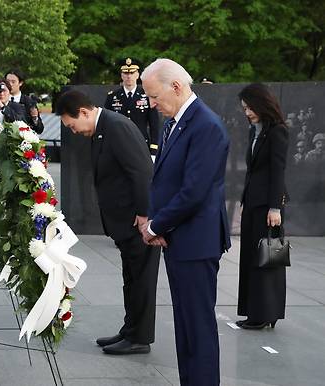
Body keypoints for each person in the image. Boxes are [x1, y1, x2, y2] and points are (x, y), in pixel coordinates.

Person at [139, 58, 230, 386]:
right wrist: (157, 221)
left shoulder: (205, 126)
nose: (152, 104)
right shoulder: (173, 123)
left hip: (196, 242)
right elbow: (163, 178)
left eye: (154, 96)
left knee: (198, 328)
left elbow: (194, 192)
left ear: (176, 87)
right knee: (186, 327)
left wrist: (155, 226)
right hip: (179, 239)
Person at [56, 90, 160, 355]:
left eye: (72, 125)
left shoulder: (116, 127)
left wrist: (144, 214)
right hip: (125, 220)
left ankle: (140, 337)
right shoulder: (103, 127)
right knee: (131, 277)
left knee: (141, 279)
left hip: (137, 220)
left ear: (84, 112)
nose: (74, 131)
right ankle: (130, 330)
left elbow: (141, 172)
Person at [237, 83, 289, 330]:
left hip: (268, 207)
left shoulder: (277, 131)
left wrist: (275, 208)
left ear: (262, 104)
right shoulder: (253, 131)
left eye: (250, 107)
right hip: (252, 203)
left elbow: (278, 171)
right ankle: (254, 312)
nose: (247, 113)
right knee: (251, 257)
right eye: (245, 109)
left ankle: (265, 314)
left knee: (267, 259)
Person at [104, 58, 162, 158]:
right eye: (126, 73)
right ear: (122, 75)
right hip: (119, 145)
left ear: (137, 75)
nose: (129, 76)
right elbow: (106, 123)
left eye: (132, 73)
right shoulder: (113, 97)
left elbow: (154, 124)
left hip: (141, 144)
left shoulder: (146, 95)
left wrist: (153, 149)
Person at [4, 68, 44, 133]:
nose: (10, 84)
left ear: (20, 83)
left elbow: (39, 129)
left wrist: (35, 118)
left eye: (13, 82)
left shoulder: (29, 102)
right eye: (7, 81)